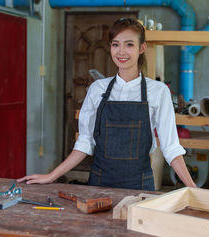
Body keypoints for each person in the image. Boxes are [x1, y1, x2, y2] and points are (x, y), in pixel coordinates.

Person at [17, 17, 196, 190]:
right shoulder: (97, 89)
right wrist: (51, 176)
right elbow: (84, 144)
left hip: (139, 185)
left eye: (129, 44)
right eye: (115, 44)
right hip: (99, 183)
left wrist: (193, 188)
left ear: (142, 48)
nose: (121, 52)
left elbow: (170, 148)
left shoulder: (158, 91)